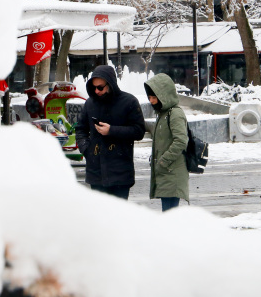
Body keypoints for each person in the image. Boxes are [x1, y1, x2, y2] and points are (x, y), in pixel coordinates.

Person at [75, 65, 146, 199]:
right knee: (99, 217)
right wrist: (86, 149)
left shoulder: (129, 102)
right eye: (94, 87)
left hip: (120, 172)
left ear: (110, 84)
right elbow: (80, 129)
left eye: (100, 87)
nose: (96, 91)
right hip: (96, 172)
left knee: (118, 217)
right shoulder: (90, 103)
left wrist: (112, 130)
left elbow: (139, 131)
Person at [144, 73, 189, 211]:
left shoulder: (174, 113)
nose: (151, 101)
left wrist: (163, 161)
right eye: (150, 97)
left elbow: (181, 140)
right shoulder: (163, 114)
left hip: (171, 172)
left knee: (170, 215)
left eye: (154, 97)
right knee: (168, 214)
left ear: (163, 96)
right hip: (167, 172)